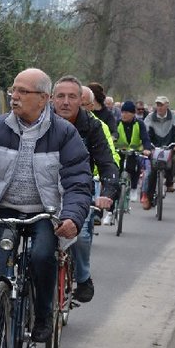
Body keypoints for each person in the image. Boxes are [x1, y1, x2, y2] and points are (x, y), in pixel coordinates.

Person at [0, 68, 92, 348]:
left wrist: (72, 217)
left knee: (42, 255)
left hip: (44, 213)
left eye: (22, 91)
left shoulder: (64, 134)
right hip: (5, 211)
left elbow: (78, 182)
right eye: (13, 90)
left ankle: (43, 314)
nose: (14, 96)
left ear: (43, 99)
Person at [51, 78, 118, 303]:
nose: (66, 102)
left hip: (78, 190)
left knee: (80, 236)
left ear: (82, 101)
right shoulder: (41, 121)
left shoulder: (93, 126)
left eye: (72, 97)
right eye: (61, 96)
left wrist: (107, 192)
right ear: (51, 99)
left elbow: (107, 162)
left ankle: (83, 277)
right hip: (45, 190)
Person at [142, 96, 175, 209]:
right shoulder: (150, 117)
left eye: (161, 105)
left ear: (167, 105)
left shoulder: (174, 116)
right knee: (152, 172)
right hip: (154, 147)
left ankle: (169, 183)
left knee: (172, 161)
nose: (159, 107)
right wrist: (146, 147)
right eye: (158, 105)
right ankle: (149, 198)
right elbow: (145, 133)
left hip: (170, 145)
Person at [116, 100, 153, 202]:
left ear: (133, 114)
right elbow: (112, 135)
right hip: (119, 152)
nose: (124, 115)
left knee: (135, 167)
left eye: (127, 112)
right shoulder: (117, 123)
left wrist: (147, 149)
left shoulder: (139, 124)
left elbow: (145, 138)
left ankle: (133, 188)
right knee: (116, 170)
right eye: (122, 112)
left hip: (134, 152)